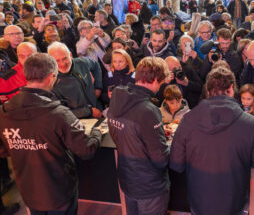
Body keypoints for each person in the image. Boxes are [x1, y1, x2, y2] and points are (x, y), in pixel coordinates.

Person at [0, 53, 102, 215]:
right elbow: (86, 150)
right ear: (50, 77)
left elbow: (3, 149)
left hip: (28, 188)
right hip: (58, 189)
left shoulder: (4, 110)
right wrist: (97, 133)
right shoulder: (58, 114)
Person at [170, 67, 254, 215]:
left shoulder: (188, 120)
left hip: (199, 200)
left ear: (208, 90)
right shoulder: (250, 123)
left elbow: (176, 164)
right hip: (234, 201)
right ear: (231, 88)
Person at [108, 56, 170, 215]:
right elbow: (160, 159)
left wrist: (156, 132)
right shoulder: (149, 111)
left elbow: (127, 135)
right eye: (161, 83)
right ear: (156, 79)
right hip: (149, 186)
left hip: (127, 179)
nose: (161, 87)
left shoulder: (117, 96)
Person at [48, 42, 103, 119]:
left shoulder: (82, 63)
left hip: (98, 110)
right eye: (57, 61)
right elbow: (60, 113)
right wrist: (89, 111)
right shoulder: (51, 82)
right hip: (78, 120)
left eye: (65, 58)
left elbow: (96, 66)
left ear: (70, 55)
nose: (62, 64)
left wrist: (98, 87)